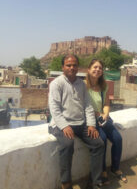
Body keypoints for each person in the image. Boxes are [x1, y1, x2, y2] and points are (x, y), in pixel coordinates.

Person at [48, 54, 105, 189]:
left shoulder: (81, 84)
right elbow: (54, 108)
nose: (72, 68)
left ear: (78, 67)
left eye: (74, 65)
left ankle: (94, 181)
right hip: (59, 124)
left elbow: (88, 106)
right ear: (63, 67)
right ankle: (66, 183)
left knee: (98, 143)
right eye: (68, 65)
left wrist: (91, 125)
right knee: (68, 144)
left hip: (80, 123)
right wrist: (64, 126)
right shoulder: (57, 84)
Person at [85, 59, 128, 184]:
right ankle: (103, 171)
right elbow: (82, 106)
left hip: (102, 119)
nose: (97, 70)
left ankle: (115, 168)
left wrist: (105, 114)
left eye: (100, 68)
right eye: (95, 67)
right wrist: (96, 114)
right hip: (90, 120)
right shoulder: (83, 86)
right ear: (89, 69)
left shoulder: (104, 86)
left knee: (118, 139)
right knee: (102, 139)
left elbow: (107, 103)